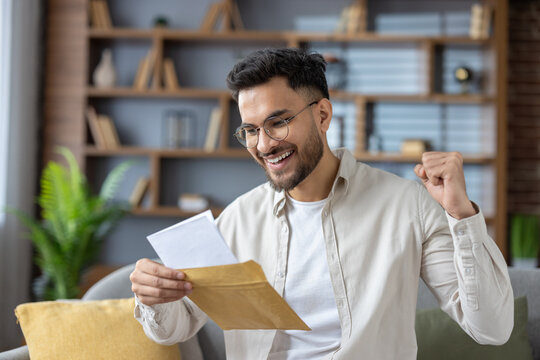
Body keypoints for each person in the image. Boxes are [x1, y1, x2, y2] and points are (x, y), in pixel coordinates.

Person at [130, 48, 513, 359]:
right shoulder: (238, 220)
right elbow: (173, 329)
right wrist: (153, 296)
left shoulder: (406, 206)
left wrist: (461, 216)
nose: (264, 145)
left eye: (278, 123)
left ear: (323, 115)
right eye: (250, 130)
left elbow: (492, 329)